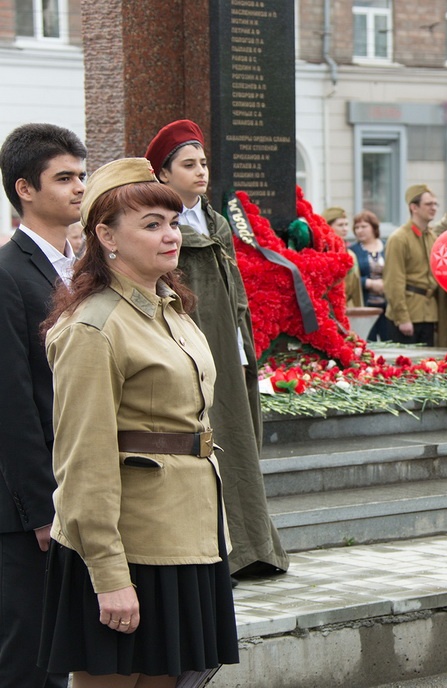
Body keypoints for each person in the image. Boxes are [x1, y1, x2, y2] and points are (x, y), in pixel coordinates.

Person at [37, 158, 239, 686]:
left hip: (188, 533)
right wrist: (108, 575)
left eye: (172, 222)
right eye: (151, 224)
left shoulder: (169, 308)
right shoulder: (93, 327)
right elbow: (83, 461)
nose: (170, 235)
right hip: (131, 544)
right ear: (106, 236)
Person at [145, 119, 288, 577]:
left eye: (203, 163)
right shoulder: (160, 229)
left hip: (230, 346)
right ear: (163, 174)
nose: (201, 172)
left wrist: (247, 348)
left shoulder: (218, 223)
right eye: (188, 164)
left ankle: (252, 545)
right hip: (187, 346)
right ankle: (219, 551)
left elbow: (236, 292)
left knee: (239, 439)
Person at [0, 122, 84, 688]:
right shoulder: (8, 274)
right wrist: (41, 511)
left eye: (82, 175)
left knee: (69, 650)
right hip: (32, 504)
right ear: (25, 189)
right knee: (30, 659)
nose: (79, 187)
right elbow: (12, 403)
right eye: (64, 178)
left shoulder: (86, 268)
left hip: (85, 487)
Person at [383, 184, 440, 345]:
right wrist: (402, 318)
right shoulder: (399, 238)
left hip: (429, 313)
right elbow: (393, 281)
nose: (434, 208)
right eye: (428, 204)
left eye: (435, 204)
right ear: (414, 207)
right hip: (407, 314)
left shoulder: (432, 237)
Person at [350, 209, 390, 340]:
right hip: (366, 305)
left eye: (364, 226)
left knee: (389, 342)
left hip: (387, 306)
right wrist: (368, 283)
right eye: (357, 227)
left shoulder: (387, 246)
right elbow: (350, 278)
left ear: (373, 227)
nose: (359, 230)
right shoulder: (353, 251)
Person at [323, 206, 363, 308]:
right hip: (325, 310)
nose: (345, 229)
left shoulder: (351, 255)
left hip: (346, 309)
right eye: (340, 225)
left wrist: (359, 312)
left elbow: (356, 291)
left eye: (346, 224)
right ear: (328, 227)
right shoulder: (320, 255)